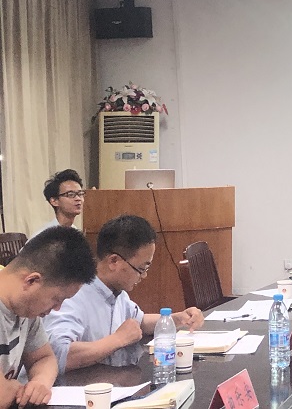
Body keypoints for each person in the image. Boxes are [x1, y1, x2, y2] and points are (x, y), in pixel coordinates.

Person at [43, 215, 204, 373]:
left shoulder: (115, 291)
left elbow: (140, 321)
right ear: (114, 261)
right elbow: (60, 355)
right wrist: (118, 339)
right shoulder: (73, 295)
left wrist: (176, 319)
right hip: (81, 386)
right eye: (141, 269)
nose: (144, 276)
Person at [0, 226, 96, 408]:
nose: (57, 309)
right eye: (56, 299)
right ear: (31, 281)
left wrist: (40, 383)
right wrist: (14, 389)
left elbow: (44, 358)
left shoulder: (26, 311)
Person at [34, 169, 85, 236]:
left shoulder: (76, 233)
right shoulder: (43, 236)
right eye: (70, 194)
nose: (78, 198)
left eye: (80, 194)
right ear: (54, 201)